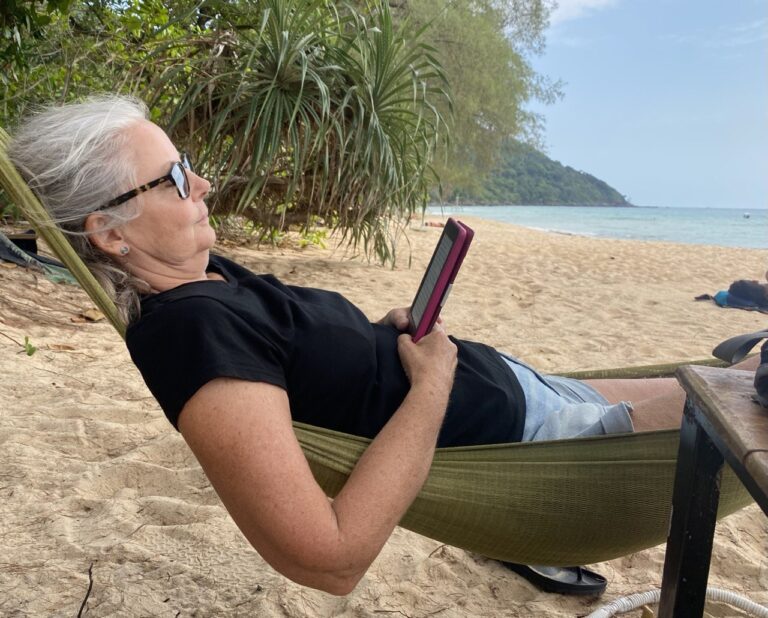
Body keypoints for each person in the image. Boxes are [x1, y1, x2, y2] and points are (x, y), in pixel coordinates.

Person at [7, 96, 756, 597]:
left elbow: (306, 365)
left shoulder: (197, 282)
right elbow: (326, 557)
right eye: (173, 177)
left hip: (528, 390)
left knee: (733, 367)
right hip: (533, 442)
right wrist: (429, 389)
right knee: (748, 399)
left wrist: (379, 340)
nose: (200, 181)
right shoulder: (192, 334)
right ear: (109, 231)